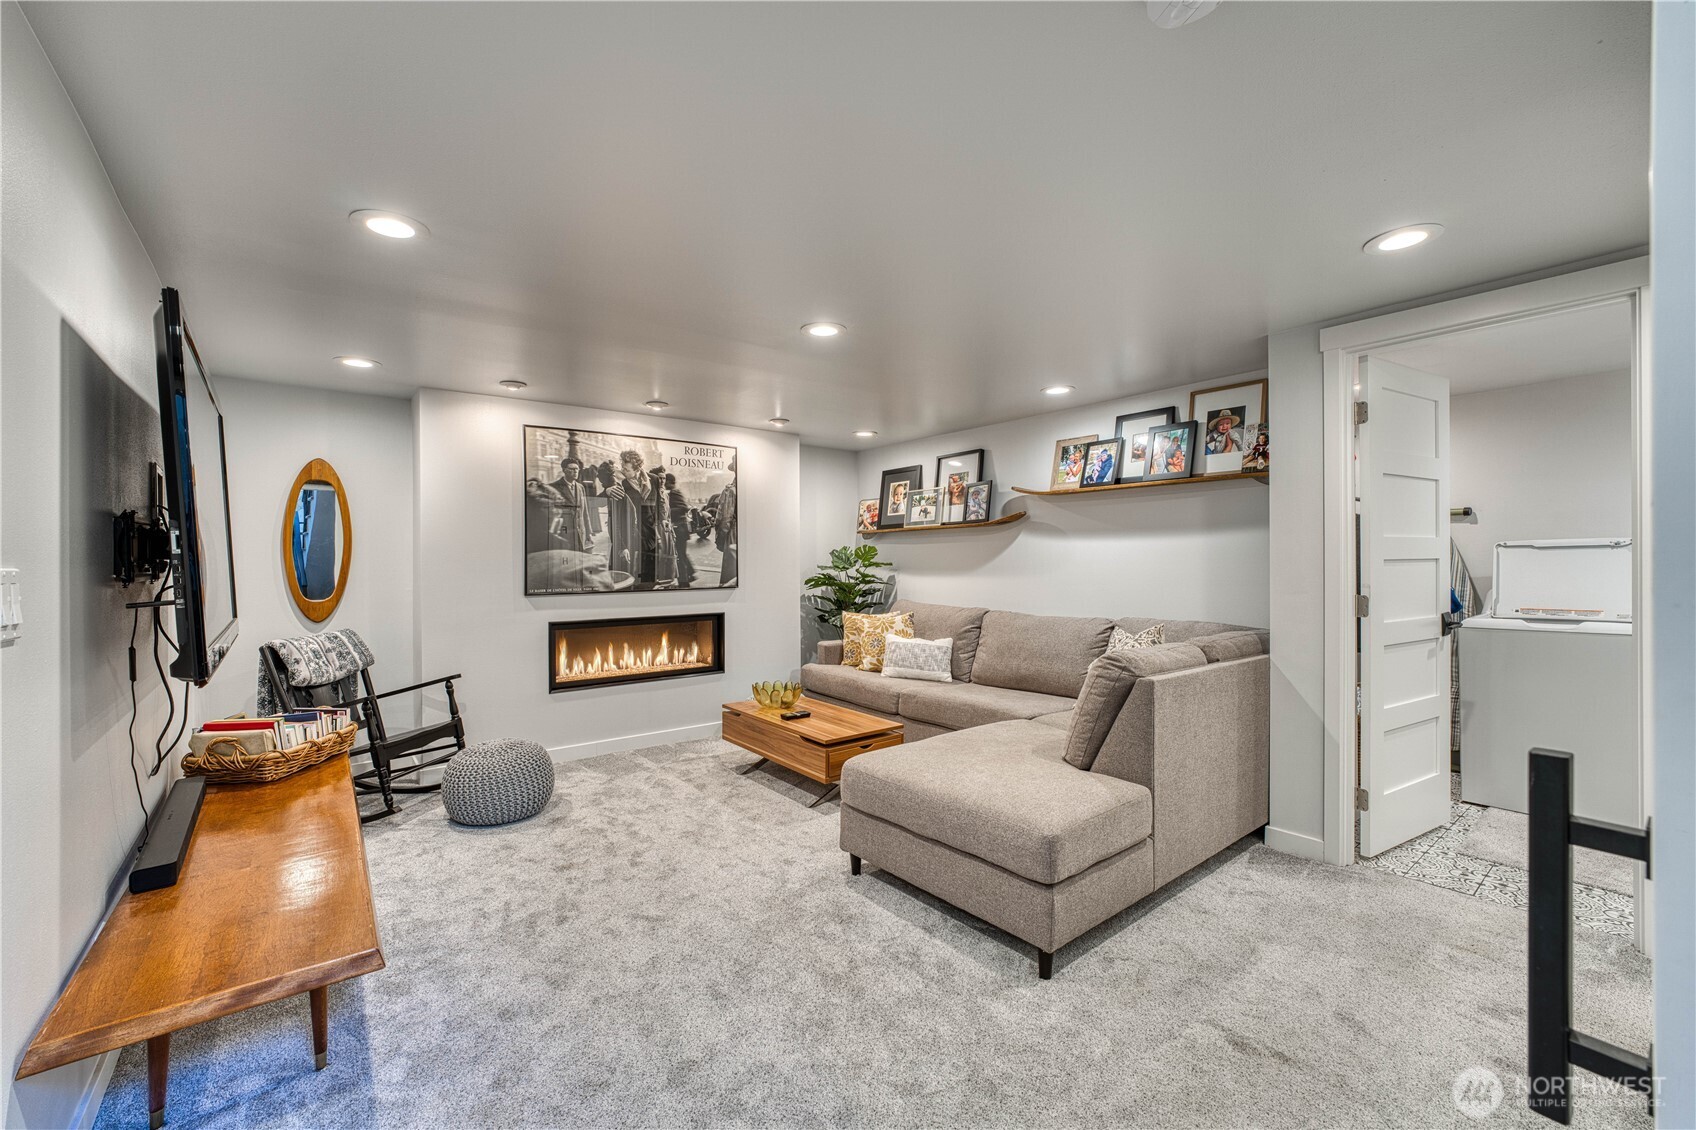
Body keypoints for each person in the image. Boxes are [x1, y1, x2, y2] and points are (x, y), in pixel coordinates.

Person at [604, 450, 676, 587]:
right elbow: (615, 517)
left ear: (637, 468)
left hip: (649, 535)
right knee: (626, 578)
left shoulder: (653, 480)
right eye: (623, 467)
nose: (623, 471)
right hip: (628, 535)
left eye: (627, 469)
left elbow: (660, 501)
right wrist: (621, 546)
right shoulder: (619, 482)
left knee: (649, 576)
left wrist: (663, 519)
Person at [542, 457, 591, 552]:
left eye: (577, 469)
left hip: (580, 532)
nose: (575, 471)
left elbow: (584, 512)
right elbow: (549, 514)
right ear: (564, 470)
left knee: (579, 559)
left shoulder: (580, 487)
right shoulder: (553, 487)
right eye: (572, 469)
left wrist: (588, 532)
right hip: (563, 532)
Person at [664, 473, 696, 587]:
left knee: (679, 555)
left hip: (680, 528)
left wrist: (667, 511)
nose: (663, 484)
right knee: (681, 554)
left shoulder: (674, 493)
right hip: (681, 528)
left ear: (669, 482)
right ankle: (691, 573)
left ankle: (684, 582)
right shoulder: (675, 492)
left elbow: (683, 508)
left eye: (665, 481)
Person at [715, 456, 738, 585]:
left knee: (732, 566)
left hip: (734, 532)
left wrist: (721, 536)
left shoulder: (730, 490)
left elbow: (726, 519)